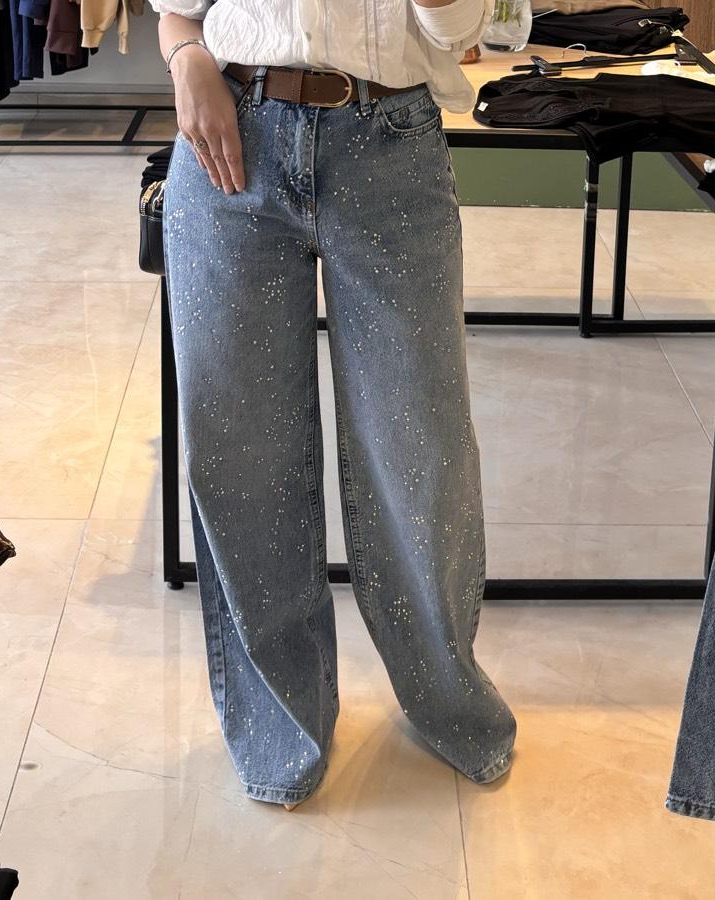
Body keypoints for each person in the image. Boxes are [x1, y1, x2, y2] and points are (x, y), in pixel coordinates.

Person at [149, 0, 517, 810]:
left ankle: (447, 697)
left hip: (391, 146)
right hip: (230, 137)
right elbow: (177, 12)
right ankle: (281, 725)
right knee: (243, 454)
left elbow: (461, 31)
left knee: (421, 453)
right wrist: (188, 62)